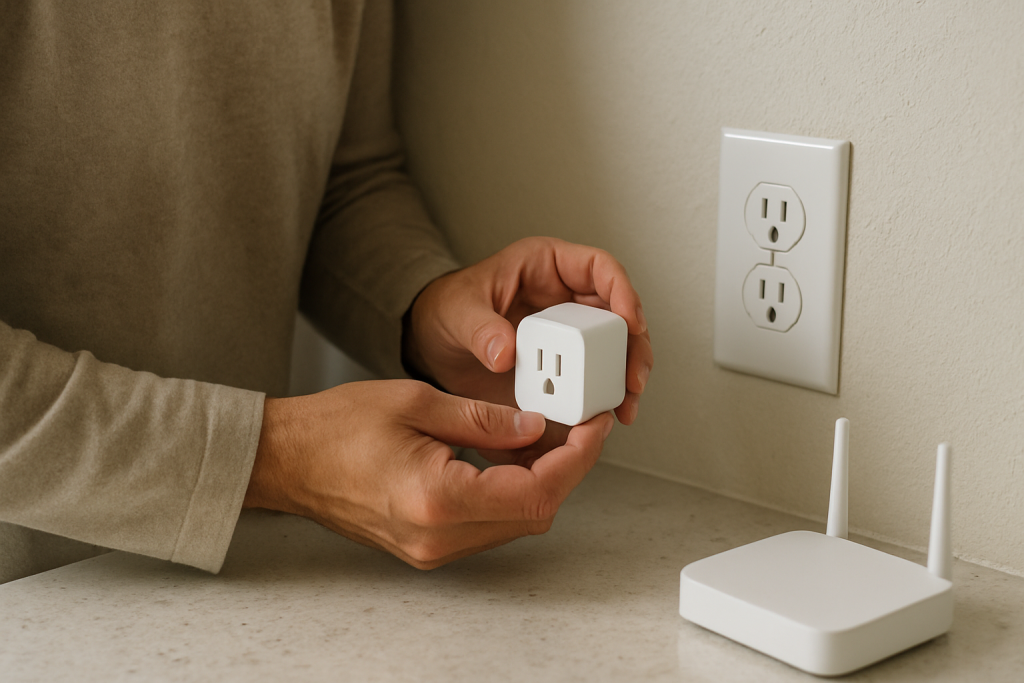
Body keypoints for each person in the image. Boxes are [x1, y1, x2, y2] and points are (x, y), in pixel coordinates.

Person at [0, 0, 653, 583]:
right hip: (33, 604)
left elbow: (341, 179)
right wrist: (275, 456)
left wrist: (422, 308)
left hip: (249, 569)